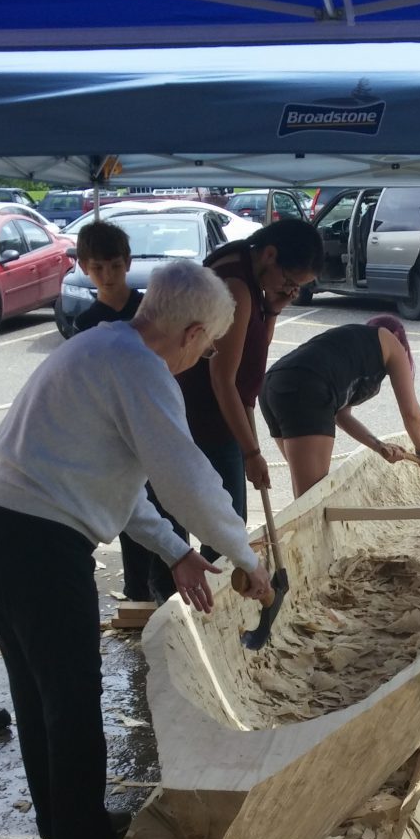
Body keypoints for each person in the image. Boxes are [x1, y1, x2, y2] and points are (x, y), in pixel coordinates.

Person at [0, 260, 271, 839]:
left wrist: (177, 552)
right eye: (207, 349)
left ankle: (64, 824)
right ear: (194, 332)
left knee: (38, 691)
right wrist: (248, 561)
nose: (201, 361)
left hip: (6, 529)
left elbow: (124, 486)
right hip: (39, 542)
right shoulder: (141, 367)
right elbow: (185, 477)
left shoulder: (102, 344)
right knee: (69, 693)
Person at [148, 219, 324, 600]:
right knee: (219, 519)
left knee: (221, 517)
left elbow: (250, 368)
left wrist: (274, 307)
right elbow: (223, 379)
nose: (290, 291)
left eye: (297, 290)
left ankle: (210, 596)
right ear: (271, 255)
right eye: (289, 282)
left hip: (217, 414)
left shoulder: (251, 276)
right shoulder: (237, 287)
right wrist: (251, 452)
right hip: (201, 416)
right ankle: (192, 602)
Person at [259, 316, 420, 497]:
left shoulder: (352, 345)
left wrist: (379, 446)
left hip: (270, 385)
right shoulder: (392, 342)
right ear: (398, 336)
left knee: (305, 497)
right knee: (312, 500)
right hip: (305, 388)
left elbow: (341, 416)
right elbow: (410, 413)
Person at [73, 220, 150, 601]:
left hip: (152, 425)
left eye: (115, 266)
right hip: (113, 434)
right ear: (84, 266)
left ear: (128, 262)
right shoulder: (85, 323)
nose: (107, 275)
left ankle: (172, 591)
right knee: (128, 515)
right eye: (98, 267)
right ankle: (138, 592)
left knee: (168, 511)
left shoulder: (149, 311)